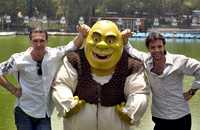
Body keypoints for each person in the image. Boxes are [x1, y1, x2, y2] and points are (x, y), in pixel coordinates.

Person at [51, 20, 149, 130]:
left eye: (110, 40)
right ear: (88, 39)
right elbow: (62, 84)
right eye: (96, 39)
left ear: (121, 41)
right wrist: (66, 103)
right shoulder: (74, 60)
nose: (102, 45)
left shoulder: (131, 66)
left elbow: (139, 92)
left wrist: (132, 110)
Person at [0, 27, 85, 130]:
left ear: (47, 41)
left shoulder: (54, 54)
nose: (39, 44)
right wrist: (12, 89)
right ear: (30, 41)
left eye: (42, 41)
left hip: (45, 113)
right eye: (35, 41)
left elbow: (72, 46)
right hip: (24, 111)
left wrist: (82, 33)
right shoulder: (18, 59)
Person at [124, 31, 200, 130]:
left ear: (164, 46)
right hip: (159, 117)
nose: (156, 50)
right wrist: (124, 38)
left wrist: (192, 91)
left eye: (159, 46)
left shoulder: (179, 61)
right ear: (148, 49)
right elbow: (130, 49)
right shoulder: (147, 60)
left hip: (180, 117)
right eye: (153, 47)